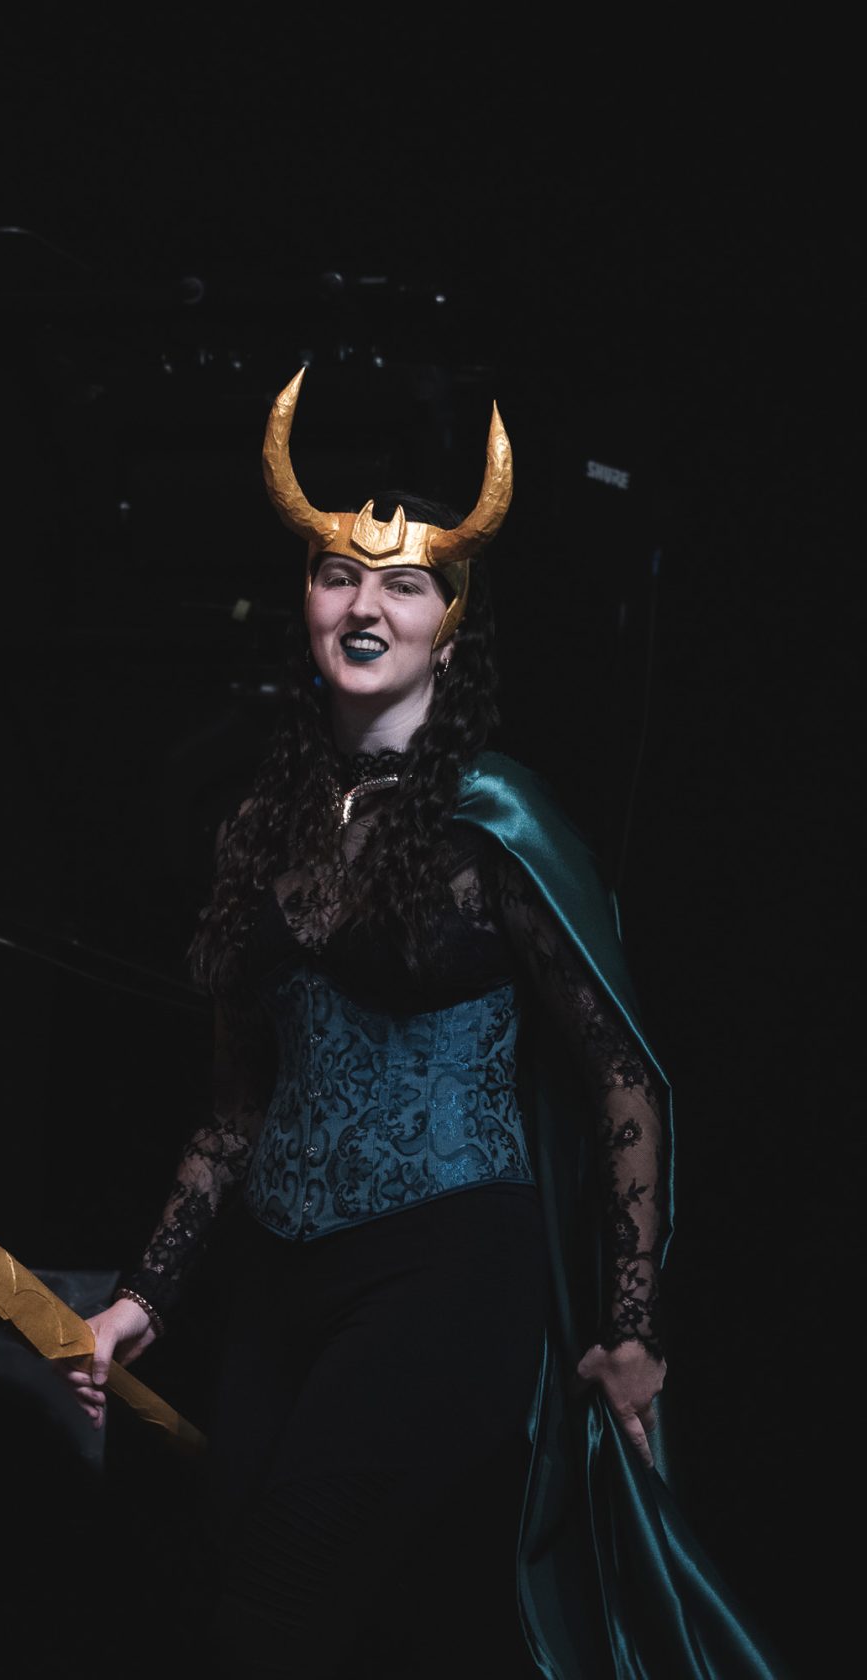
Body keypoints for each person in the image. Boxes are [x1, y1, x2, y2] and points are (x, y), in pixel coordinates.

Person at [60, 369, 783, 1680]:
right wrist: (141, 1298)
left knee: (270, 1615)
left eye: (403, 586)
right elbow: (235, 1110)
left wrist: (632, 1327)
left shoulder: (496, 823)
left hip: (449, 1270)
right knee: (241, 1583)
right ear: (306, 603)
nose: (365, 606)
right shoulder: (258, 829)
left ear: (452, 628)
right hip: (282, 1283)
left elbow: (623, 1077)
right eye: (339, 575)